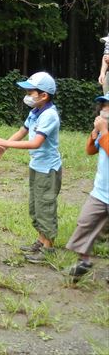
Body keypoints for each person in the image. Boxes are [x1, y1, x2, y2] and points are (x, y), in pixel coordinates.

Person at [0, 71, 62, 263]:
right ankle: (40, 240)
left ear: (43, 95)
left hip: (48, 169)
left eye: (31, 92)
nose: (27, 96)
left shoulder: (49, 115)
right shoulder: (35, 112)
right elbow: (22, 132)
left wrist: (6, 143)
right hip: (37, 166)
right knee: (36, 206)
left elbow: (35, 143)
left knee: (45, 207)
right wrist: (3, 146)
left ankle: (48, 249)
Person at [65, 93, 109, 281]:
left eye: (108, 106)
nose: (104, 110)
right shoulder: (104, 129)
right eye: (103, 105)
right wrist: (95, 133)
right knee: (85, 222)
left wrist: (104, 131)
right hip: (100, 192)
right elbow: (91, 150)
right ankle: (84, 261)